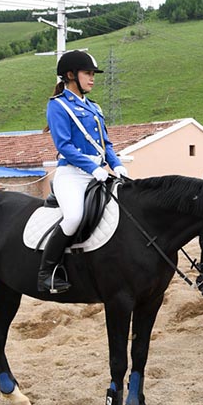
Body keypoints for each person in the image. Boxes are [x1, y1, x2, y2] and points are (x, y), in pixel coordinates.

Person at [39, 50, 128, 294]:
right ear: (70, 75)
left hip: (97, 171)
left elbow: (105, 144)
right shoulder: (58, 106)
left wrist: (116, 164)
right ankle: (47, 272)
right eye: (87, 73)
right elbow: (64, 146)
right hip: (72, 174)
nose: (92, 78)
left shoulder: (94, 107)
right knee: (74, 217)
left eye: (92, 74)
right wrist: (92, 168)